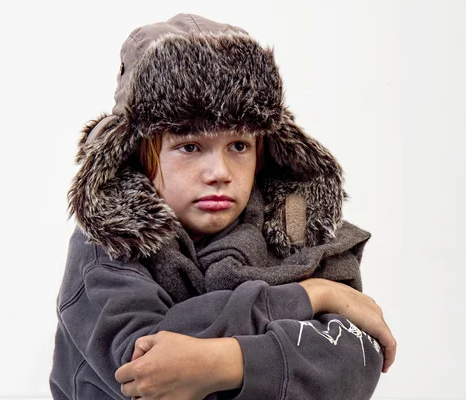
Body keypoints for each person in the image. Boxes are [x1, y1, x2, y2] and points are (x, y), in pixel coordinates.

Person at [49, 13, 396, 400]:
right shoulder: (107, 242)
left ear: (262, 150)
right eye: (190, 147)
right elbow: (147, 372)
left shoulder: (295, 223)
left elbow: (353, 362)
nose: (220, 172)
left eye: (238, 146)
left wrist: (222, 363)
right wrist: (313, 296)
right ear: (141, 154)